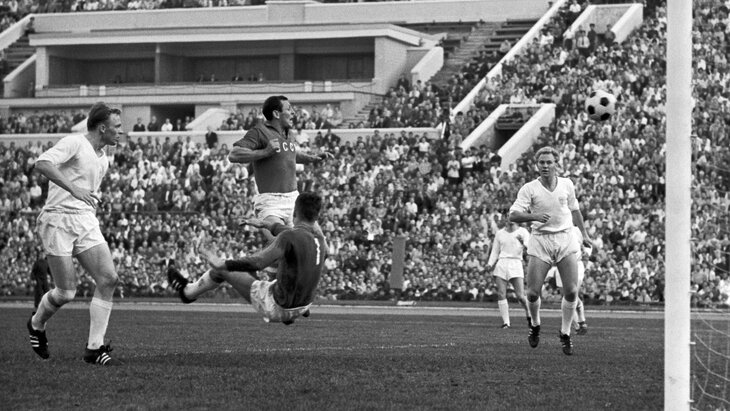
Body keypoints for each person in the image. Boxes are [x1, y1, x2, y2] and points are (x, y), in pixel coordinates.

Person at [27, 102, 123, 365]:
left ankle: (94, 348)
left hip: (84, 220)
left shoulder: (103, 158)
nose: (120, 131)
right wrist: (74, 189)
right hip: (57, 218)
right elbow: (42, 163)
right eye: (117, 126)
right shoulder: (75, 142)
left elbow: (86, 190)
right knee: (66, 292)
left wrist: (88, 198)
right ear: (102, 128)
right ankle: (36, 324)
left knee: (109, 279)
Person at [167, 192, 327, 325]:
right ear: (316, 216)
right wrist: (264, 224)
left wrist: (222, 263)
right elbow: (293, 234)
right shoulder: (320, 241)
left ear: (294, 213)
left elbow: (258, 262)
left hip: (278, 306)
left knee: (221, 270)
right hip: (304, 304)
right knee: (294, 259)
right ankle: (292, 312)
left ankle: (187, 293)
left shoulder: (288, 237)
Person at [227, 96, 331, 266]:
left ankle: (278, 273)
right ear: (276, 113)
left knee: (324, 250)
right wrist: (265, 152)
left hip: (294, 201)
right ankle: (259, 272)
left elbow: (290, 155)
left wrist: (312, 158)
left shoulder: (288, 134)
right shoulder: (259, 132)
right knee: (288, 248)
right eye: (289, 109)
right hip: (271, 204)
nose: (293, 112)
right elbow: (234, 154)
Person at [509, 146, 591, 355]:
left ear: (556, 164)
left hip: (565, 237)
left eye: (549, 162)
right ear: (537, 165)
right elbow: (513, 215)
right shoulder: (529, 188)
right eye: (541, 162)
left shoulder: (567, 184)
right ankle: (535, 324)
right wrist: (534, 216)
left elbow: (575, 210)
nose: (545, 166)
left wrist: (585, 234)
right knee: (532, 293)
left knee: (571, 291)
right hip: (541, 239)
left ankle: (565, 333)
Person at [485, 216, 531, 329]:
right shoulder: (500, 233)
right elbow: (495, 251)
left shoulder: (523, 232)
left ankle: (529, 314)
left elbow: (530, 248)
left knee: (520, 296)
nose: (510, 220)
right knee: (501, 293)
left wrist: (523, 243)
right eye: (508, 217)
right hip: (502, 262)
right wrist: (490, 264)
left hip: (516, 263)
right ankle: (506, 322)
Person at [546, 226, 590, 335]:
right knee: (566, 296)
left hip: (576, 264)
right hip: (560, 266)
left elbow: (588, 244)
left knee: (572, 294)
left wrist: (586, 253)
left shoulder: (577, 230)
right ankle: (580, 323)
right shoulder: (554, 229)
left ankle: (579, 324)